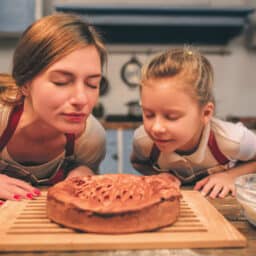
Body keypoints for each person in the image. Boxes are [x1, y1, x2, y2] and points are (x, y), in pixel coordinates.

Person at [0, 13, 107, 204]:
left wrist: (84, 172)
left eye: (92, 84)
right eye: (61, 82)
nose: (81, 99)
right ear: (25, 83)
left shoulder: (90, 138)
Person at [131, 47, 256, 199]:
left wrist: (230, 176)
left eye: (171, 117)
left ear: (205, 113)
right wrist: (158, 175)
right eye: (148, 114)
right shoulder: (144, 142)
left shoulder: (232, 140)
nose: (156, 128)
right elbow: (139, 163)